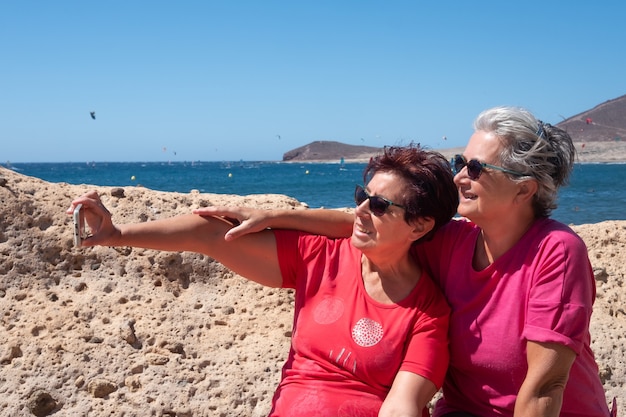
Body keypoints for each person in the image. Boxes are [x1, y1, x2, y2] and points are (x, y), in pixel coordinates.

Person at [202, 107, 614, 417]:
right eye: (459, 163)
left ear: (523, 191)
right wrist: (277, 215)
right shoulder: (451, 241)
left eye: (475, 168)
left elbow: (545, 389)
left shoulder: (556, 251)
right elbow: (372, 219)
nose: (459, 177)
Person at [67, 144, 459, 417]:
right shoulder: (319, 257)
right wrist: (117, 235)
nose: (359, 212)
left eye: (378, 205)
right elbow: (207, 233)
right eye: (361, 195)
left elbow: (403, 405)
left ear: (421, 224)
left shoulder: (428, 312)